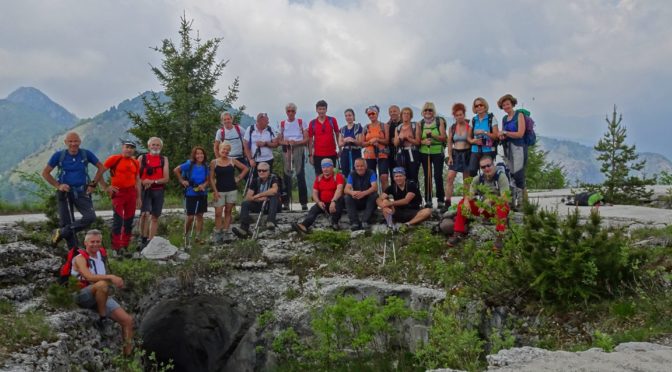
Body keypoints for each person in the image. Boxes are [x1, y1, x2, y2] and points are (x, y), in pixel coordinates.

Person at [71, 229, 134, 355]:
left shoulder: (101, 254)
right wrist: (111, 277)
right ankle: (102, 318)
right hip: (81, 294)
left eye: (98, 242)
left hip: (100, 293)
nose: (95, 244)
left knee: (127, 320)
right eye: (92, 242)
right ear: (85, 243)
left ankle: (128, 356)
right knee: (102, 285)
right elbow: (88, 276)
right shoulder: (79, 258)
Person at [42, 131, 107, 248]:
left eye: (76, 141)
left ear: (80, 142)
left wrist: (93, 184)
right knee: (67, 223)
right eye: (70, 141)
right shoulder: (59, 155)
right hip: (64, 193)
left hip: (82, 191)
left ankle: (60, 232)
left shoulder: (85, 154)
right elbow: (45, 173)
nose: (73, 144)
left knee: (90, 217)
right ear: (65, 142)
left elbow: (101, 167)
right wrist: (58, 186)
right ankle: (74, 255)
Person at [447, 155, 510, 251]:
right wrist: (467, 200)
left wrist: (490, 199)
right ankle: (458, 233)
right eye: (483, 167)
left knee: (502, 205)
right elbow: (470, 194)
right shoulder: (478, 178)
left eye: (488, 165)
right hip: (484, 209)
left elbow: (505, 198)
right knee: (462, 203)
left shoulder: (501, 176)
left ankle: (500, 236)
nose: (486, 168)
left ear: (493, 164)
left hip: (498, 210)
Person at [103, 140, 141, 253]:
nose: (129, 149)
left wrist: (139, 197)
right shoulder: (114, 159)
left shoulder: (135, 162)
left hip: (131, 193)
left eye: (131, 148)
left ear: (134, 150)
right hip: (118, 193)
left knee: (129, 221)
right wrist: (106, 187)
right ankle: (116, 248)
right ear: (122, 148)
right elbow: (100, 171)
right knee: (118, 220)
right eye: (127, 147)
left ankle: (125, 247)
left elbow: (137, 180)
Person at [210, 142, 249, 243]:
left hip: (231, 190)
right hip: (219, 191)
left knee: (228, 211)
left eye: (227, 150)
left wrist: (238, 178)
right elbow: (211, 178)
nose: (225, 151)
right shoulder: (214, 162)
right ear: (219, 150)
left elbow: (245, 168)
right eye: (223, 149)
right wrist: (214, 191)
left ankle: (226, 232)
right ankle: (218, 233)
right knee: (218, 213)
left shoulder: (232, 161)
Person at [292, 158, 345, 233]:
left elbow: (339, 190)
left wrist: (333, 201)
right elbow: (314, 193)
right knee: (314, 209)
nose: (325, 169)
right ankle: (304, 225)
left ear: (332, 167)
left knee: (338, 203)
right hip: (323, 203)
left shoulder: (338, 176)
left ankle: (335, 223)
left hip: (335, 201)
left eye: (327, 166)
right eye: (323, 167)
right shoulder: (319, 178)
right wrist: (318, 202)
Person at [232, 162, 279, 238]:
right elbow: (248, 197)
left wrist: (259, 195)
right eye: (259, 170)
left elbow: (274, 190)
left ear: (268, 171)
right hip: (259, 203)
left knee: (274, 196)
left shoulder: (273, 178)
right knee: (245, 203)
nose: (261, 172)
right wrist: (259, 199)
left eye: (264, 170)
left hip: (272, 205)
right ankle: (244, 228)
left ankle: (270, 221)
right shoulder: (255, 180)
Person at [174, 146, 209, 246]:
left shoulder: (206, 166)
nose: (199, 155)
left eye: (201, 153)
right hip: (190, 193)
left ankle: (198, 237)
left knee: (200, 215)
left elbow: (207, 180)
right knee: (190, 217)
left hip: (202, 193)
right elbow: (176, 170)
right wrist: (182, 181)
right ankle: (185, 234)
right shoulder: (189, 164)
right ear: (194, 155)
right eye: (197, 154)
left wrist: (204, 185)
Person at [137, 137, 169, 248]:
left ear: (161, 147)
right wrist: (142, 182)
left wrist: (152, 181)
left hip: (158, 191)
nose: (155, 147)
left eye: (157, 145)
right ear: (149, 146)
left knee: (155, 216)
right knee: (144, 215)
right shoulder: (142, 158)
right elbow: (135, 175)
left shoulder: (164, 159)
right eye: (153, 145)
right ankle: (142, 238)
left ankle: (151, 241)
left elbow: (166, 178)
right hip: (145, 190)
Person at [498, 94, 528, 209]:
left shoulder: (519, 115)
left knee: (519, 174)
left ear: (512, 104)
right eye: (503, 105)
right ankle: (512, 202)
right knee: (510, 174)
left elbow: (520, 133)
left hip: (519, 147)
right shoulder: (504, 119)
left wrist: (505, 133)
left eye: (507, 104)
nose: (506, 106)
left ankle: (522, 203)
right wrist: (502, 136)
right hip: (508, 148)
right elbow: (504, 134)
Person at [278, 103, 309, 211]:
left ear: (295, 112)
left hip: (298, 148)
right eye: (289, 111)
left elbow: (306, 139)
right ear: (286, 112)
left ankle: (304, 202)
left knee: (300, 175)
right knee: (286, 176)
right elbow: (279, 140)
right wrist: (285, 142)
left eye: (292, 111)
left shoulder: (301, 122)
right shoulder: (282, 124)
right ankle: (286, 202)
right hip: (286, 149)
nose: (290, 113)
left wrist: (296, 142)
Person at [416, 102, 447, 209]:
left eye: (430, 110)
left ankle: (441, 199)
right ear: (422, 112)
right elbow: (418, 140)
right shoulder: (420, 123)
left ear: (433, 112)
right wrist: (424, 142)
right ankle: (428, 200)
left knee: (438, 176)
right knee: (427, 176)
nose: (428, 112)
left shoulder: (439, 121)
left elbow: (444, 138)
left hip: (437, 151)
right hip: (425, 152)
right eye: (426, 110)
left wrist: (432, 135)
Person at [445, 103, 471, 207]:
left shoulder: (469, 126)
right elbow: (449, 143)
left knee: (466, 179)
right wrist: (450, 156)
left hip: (467, 152)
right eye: (457, 115)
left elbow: (471, 140)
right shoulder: (452, 127)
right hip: (456, 153)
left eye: (461, 114)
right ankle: (448, 201)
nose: (459, 117)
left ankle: (466, 201)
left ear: (464, 115)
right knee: (450, 177)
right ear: (454, 116)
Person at [468, 97, 499, 177]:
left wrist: (484, 132)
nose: (479, 107)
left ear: (485, 106)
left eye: (481, 105)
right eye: (476, 106)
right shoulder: (473, 120)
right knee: (472, 170)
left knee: (487, 172)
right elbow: (468, 138)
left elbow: (496, 136)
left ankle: (489, 189)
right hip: (475, 149)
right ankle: (476, 189)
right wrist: (473, 141)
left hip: (488, 149)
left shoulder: (491, 118)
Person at [344, 158, 378, 231]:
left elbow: (374, 187)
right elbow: (346, 189)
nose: (359, 168)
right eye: (357, 166)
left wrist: (364, 193)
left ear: (366, 166)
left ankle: (365, 221)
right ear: (355, 167)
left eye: (362, 166)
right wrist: (352, 192)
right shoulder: (352, 174)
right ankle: (354, 222)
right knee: (347, 197)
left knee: (374, 195)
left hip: (368, 200)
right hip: (357, 199)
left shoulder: (371, 172)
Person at [308, 100, 340, 176]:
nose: (321, 111)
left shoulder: (332, 120)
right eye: (319, 109)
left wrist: (340, 149)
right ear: (316, 110)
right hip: (318, 154)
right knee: (319, 176)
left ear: (326, 109)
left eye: (323, 109)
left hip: (331, 153)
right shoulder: (312, 123)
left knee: (333, 176)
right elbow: (310, 140)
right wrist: (310, 155)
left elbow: (337, 135)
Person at [362, 105, 390, 191]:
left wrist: (377, 139)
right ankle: (373, 198)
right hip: (369, 155)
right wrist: (370, 142)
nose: (371, 115)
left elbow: (387, 141)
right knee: (372, 178)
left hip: (382, 154)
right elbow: (362, 143)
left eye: (373, 113)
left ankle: (385, 197)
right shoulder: (366, 127)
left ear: (377, 113)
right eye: (369, 114)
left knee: (384, 176)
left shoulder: (384, 125)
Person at [393, 107, 420, 184]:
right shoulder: (398, 128)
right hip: (401, 153)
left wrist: (408, 138)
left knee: (413, 175)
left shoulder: (415, 125)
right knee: (402, 175)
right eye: (404, 113)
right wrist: (399, 138)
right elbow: (395, 144)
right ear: (401, 115)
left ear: (411, 116)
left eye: (408, 113)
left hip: (412, 153)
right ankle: (404, 194)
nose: (406, 115)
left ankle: (415, 194)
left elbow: (418, 142)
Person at [338, 108, 363, 178]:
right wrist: (345, 140)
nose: (348, 117)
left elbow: (360, 142)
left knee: (357, 171)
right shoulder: (342, 129)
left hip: (355, 151)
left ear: (353, 116)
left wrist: (353, 140)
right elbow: (340, 143)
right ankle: (346, 188)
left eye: (350, 115)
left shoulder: (358, 127)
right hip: (345, 152)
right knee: (345, 172)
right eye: (346, 116)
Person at [386, 105, 402, 173]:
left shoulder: (404, 123)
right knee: (393, 173)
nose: (393, 113)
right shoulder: (387, 125)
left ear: (399, 112)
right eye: (391, 112)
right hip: (391, 153)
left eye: (394, 111)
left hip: (403, 152)